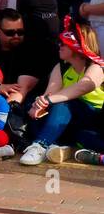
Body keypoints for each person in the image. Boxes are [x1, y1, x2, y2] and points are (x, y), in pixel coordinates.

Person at [19, 18, 104, 166]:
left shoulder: (96, 66)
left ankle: (41, 145)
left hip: (95, 119)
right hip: (73, 122)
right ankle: (59, 148)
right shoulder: (61, 67)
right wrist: (38, 106)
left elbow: (84, 87)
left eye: (64, 43)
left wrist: (50, 100)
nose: (59, 46)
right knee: (36, 120)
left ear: (77, 46)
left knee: (65, 102)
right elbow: (50, 93)